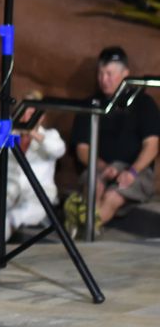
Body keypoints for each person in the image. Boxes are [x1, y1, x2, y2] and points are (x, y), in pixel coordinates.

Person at [68, 46, 159, 234]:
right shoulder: (91, 104)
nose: (104, 80)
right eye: (100, 74)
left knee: (112, 196)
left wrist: (132, 172)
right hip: (100, 167)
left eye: (109, 74)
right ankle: (86, 228)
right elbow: (82, 148)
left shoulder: (144, 103)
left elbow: (152, 145)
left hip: (135, 170)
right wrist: (102, 167)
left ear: (125, 74)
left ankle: (85, 229)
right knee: (94, 187)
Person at [0, 95, 65, 240]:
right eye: (24, 112)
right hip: (10, 190)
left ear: (41, 117)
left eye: (32, 113)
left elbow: (59, 149)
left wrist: (34, 134)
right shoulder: (8, 135)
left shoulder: (49, 135)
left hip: (37, 195)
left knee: (17, 214)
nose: (27, 116)